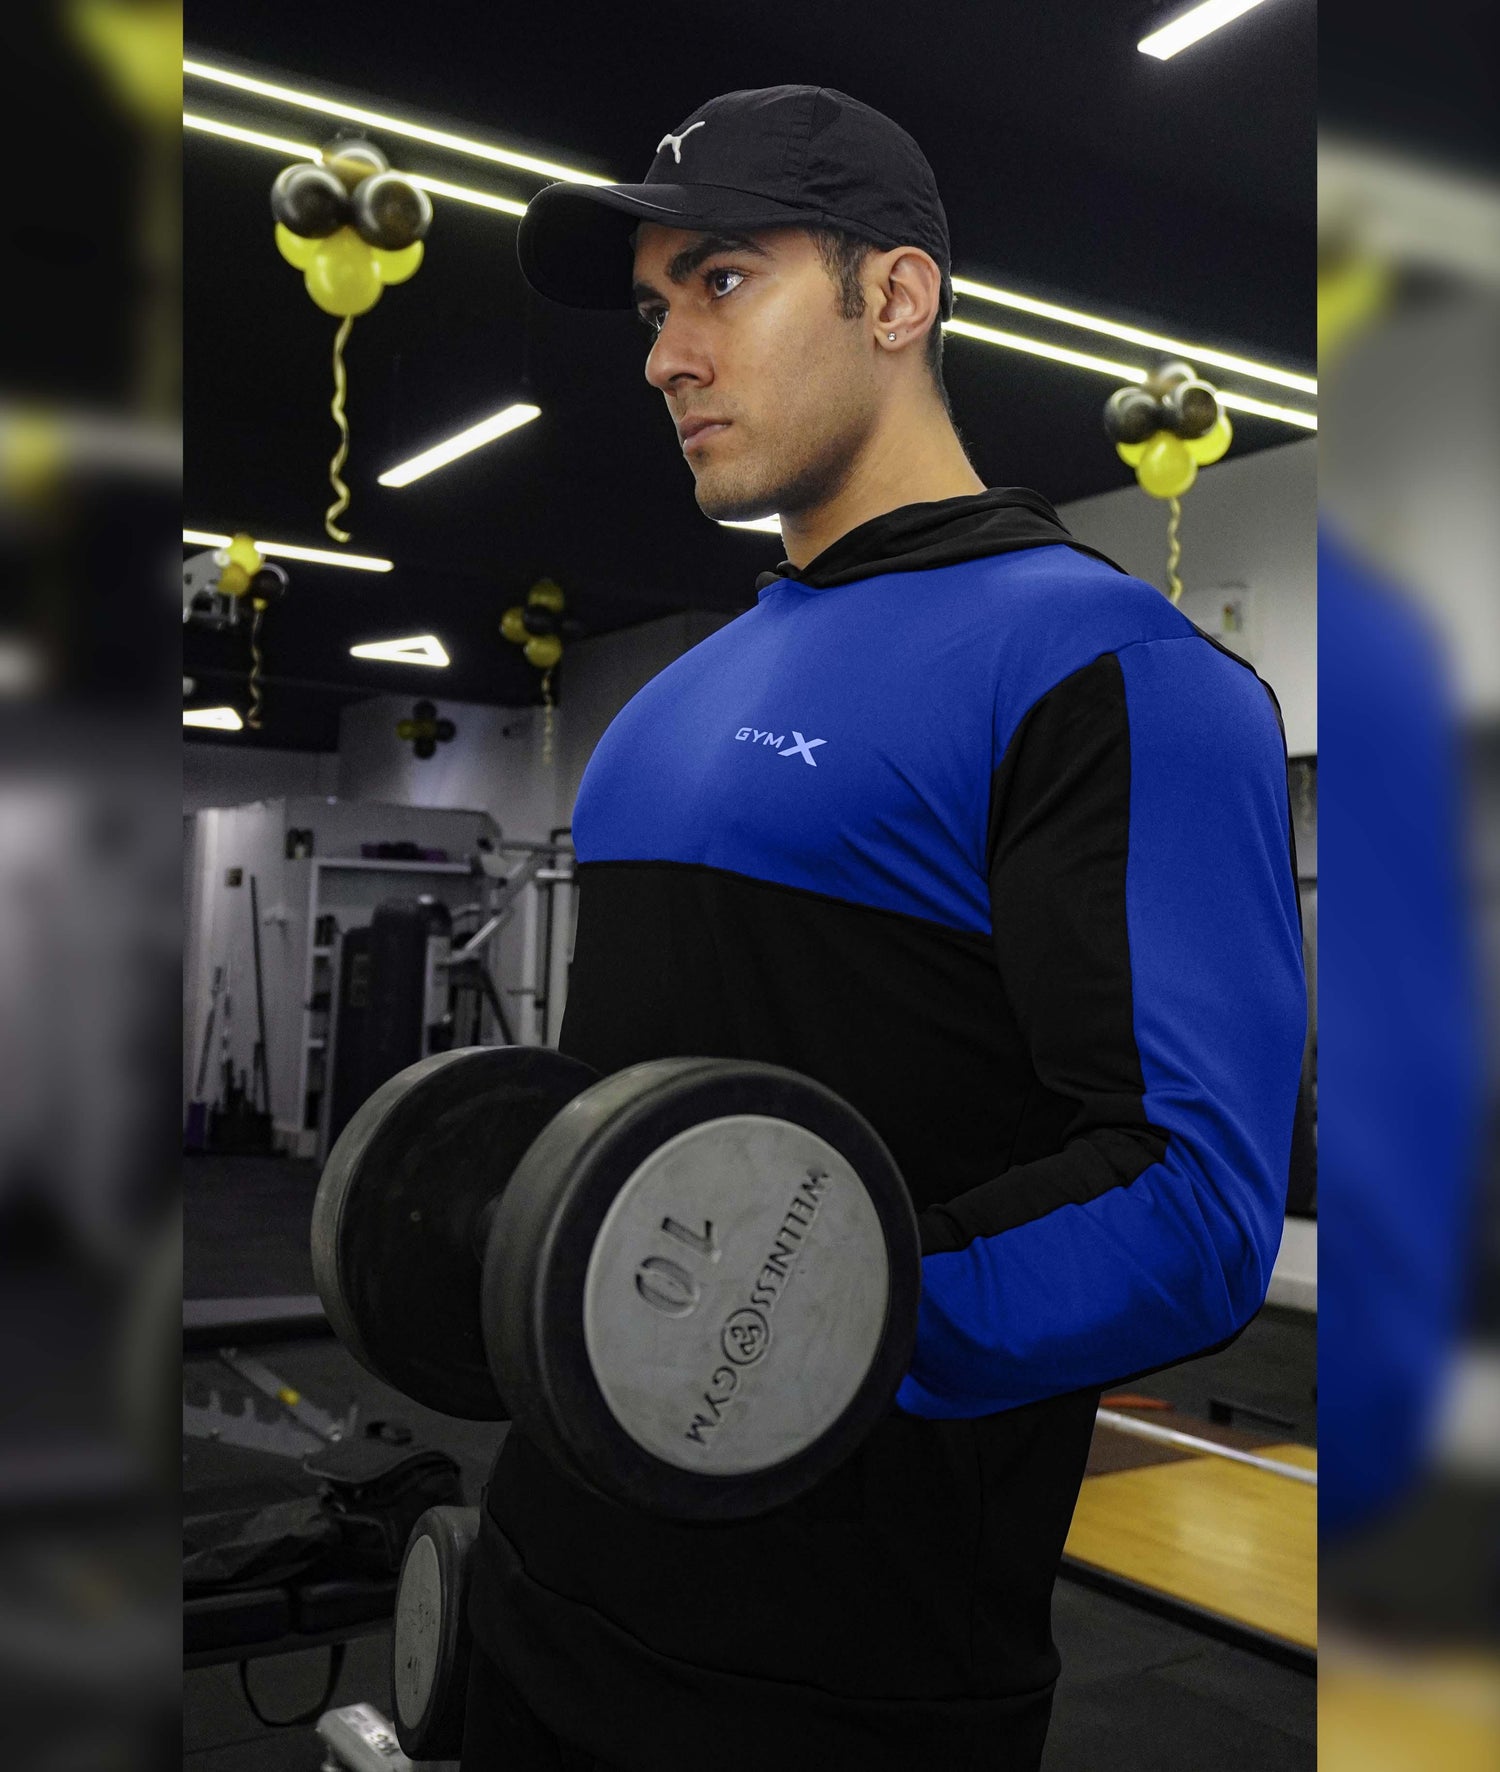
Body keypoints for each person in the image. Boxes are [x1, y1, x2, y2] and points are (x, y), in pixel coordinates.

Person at [461, 84, 1307, 1770]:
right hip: (543, 1583)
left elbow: (1195, 1204)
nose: (665, 357)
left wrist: (792, 1333)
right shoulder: (664, 708)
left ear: (896, 296)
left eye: (720, 282)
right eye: (653, 308)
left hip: (840, 1675)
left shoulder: (1111, 674)